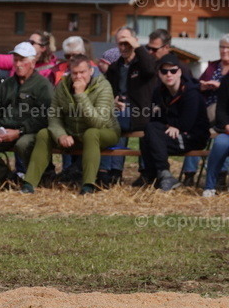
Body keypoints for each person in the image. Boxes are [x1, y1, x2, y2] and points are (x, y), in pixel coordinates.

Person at [21, 54, 119, 194]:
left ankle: (88, 185)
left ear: (91, 71)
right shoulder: (62, 86)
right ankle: (29, 183)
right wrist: (60, 135)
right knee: (44, 134)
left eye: (82, 72)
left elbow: (97, 122)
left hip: (105, 131)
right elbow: (54, 115)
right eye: (75, 73)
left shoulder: (103, 87)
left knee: (91, 134)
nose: (78, 77)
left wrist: (80, 95)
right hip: (73, 131)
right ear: (69, 72)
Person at [0, 42, 53, 189]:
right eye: (15, 60)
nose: (18, 64)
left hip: (31, 132)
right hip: (5, 130)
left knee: (23, 144)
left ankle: (36, 179)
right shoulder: (7, 84)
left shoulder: (43, 85)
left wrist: (19, 131)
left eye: (22, 60)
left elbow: (45, 116)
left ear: (33, 63)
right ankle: (8, 180)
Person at [140, 55, 210, 191]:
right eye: (164, 71)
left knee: (151, 134)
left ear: (179, 72)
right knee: (147, 136)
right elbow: (153, 119)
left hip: (193, 137)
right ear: (159, 74)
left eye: (173, 71)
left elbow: (186, 123)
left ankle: (163, 175)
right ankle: (156, 178)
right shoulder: (158, 92)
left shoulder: (191, 92)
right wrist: (170, 124)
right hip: (171, 134)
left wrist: (169, 121)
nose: (169, 75)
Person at [99, 26, 157, 186]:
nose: (123, 47)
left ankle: (108, 172)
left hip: (142, 112)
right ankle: (110, 172)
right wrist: (113, 101)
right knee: (105, 120)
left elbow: (150, 69)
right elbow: (108, 92)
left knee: (108, 121)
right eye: (120, 43)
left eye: (127, 43)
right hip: (120, 111)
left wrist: (138, 48)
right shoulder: (115, 67)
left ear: (135, 42)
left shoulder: (143, 62)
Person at [202, 69, 229, 197]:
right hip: (228, 132)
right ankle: (209, 187)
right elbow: (221, 110)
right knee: (219, 143)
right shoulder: (226, 80)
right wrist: (226, 125)